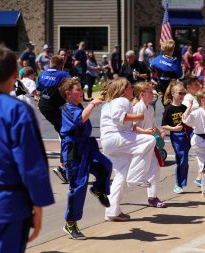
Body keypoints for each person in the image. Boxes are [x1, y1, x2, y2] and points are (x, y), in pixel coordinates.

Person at [0, 45, 54, 252]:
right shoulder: (16, 110)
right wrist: (38, 203)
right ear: (15, 74)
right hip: (5, 206)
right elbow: (30, 162)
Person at [58, 78, 112, 240]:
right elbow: (79, 119)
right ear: (68, 94)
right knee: (78, 186)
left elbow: (84, 114)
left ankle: (98, 189)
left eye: (81, 89)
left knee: (105, 166)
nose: (82, 92)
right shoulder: (67, 109)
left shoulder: (77, 105)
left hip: (88, 145)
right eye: (78, 90)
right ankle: (70, 223)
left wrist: (101, 97)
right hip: (74, 150)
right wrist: (93, 104)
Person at [100, 78, 155, 221]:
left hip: (111, 142)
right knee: (150, 141)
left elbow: (129, 126)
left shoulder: (111, 103)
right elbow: (119, 118)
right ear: (124, 90)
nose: (133, 90)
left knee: (120, 176)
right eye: (130, 87)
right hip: (117, 138)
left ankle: (112, 211)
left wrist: (143, 131)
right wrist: (138, 116)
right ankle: (137, 177)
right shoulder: (121, 101)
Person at [37, 55, 72, 182]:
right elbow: (72, 88)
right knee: (66, 134)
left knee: (64, 132)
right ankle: (64, 167)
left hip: (43, 106)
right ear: (61, 65)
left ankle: (65, 164)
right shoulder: (63, 74)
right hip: (54, 107)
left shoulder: (42, 74)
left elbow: (39, 90)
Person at [132, 82, 167, 208]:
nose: (153, 93)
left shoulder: (150, 108)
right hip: (139, 144)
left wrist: (159, 132)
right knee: (127, 176)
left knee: (154, 167)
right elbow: (133, 126)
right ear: (142, 94)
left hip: (148, 143)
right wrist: (145, 132)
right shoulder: (137, 108)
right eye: (150, 91)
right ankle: (113, 198)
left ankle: (152, 197)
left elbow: (152, 125)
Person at [161, 80, 192, 194]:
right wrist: (174, 129)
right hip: (176, 136)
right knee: (181, 158)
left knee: (185, 160)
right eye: (180, 93)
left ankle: (182, 183)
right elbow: (164, 125)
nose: (182, 96)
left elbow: (188, 120)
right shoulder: (169, 109)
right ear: (173, 94)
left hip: (186, 135)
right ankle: (178, 184)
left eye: (183, 93)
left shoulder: (184, 107)